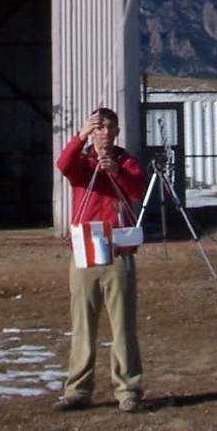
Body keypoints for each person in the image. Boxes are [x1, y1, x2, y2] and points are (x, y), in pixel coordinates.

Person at [54, 107, 146, 413]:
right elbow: (64, 165)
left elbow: (139, 189)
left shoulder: (125, 160)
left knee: (123, 324)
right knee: (83, 323)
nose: (104, 132)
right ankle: (78, 390)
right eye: (99, 127)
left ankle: (128, 389)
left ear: (117, 133)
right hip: (86, 249)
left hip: (118, 249)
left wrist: (117, 172)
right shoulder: (83, 163)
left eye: (110, 127)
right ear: (92, 131)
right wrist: (79, 136)